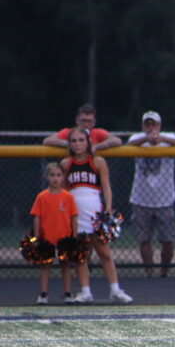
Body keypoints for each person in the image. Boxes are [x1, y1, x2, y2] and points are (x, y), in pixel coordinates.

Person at [61, 128, 133, 303]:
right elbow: (63, 191)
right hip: (75, 213)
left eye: (81, 140)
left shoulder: (98, 161)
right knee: (81, 254)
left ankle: (115, 290)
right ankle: (86, 292)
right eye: (74, 141)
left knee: (104, 252)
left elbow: (106, 187)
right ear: (69, 144)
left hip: (94, 210)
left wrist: (108, 207)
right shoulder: (66, 163)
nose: (78, 144)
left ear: (88, 142)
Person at [128, 111, 175, 277]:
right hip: (141, 198)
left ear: (159, 126)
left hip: (165, 200)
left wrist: (161, 139)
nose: (151, 127)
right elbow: (127, 146)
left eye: (154, 124)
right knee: (144, 239)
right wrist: (147, 139)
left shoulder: (169, 137)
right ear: (142, 126)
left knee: (168, 240)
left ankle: (164, 272)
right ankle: (149, 272)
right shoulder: (137, 138)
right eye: (147, 124)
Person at [29, 163, 79, 304]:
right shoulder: (41, 197)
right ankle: (43, 294)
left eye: (58, 175)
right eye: (52, 175)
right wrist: (37, 237)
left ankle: (68, 293)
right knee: (46, 266)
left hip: (64, 238)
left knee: (65, 265)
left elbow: (74, 217)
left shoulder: (68, 197)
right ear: (46, 177)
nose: (55, 178)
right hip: (47, 238)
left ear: (63, 177)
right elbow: (37, 217)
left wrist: (74, 236)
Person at [43, 104, 122, 153]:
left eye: (89, 121)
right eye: (83, 120)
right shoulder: (70, 132)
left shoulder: (97, 133)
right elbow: (47, 140)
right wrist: (69, 143)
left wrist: (97, 146)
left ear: (94, 122)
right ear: (77, 120)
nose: (86, 124)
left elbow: (117, 140)